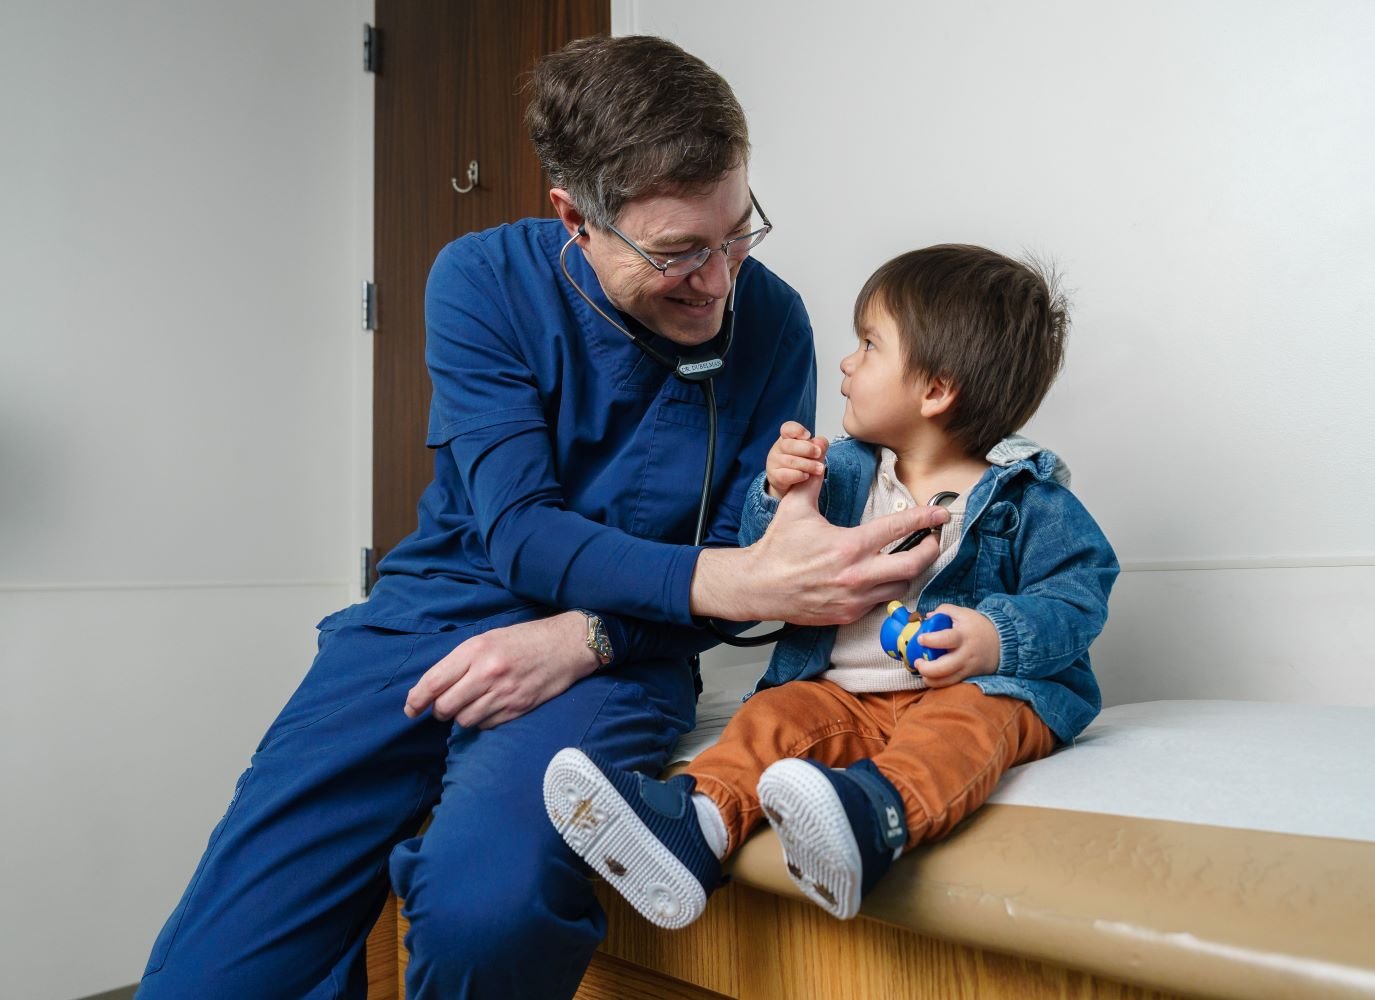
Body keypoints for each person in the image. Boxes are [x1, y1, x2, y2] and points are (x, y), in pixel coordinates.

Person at [137, 35, 950, 1000]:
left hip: (621, 655)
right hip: (426, 623)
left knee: (491, 911)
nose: (719, 279)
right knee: (217, 969)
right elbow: (522, 532)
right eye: (679, 252)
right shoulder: (480, 280)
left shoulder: (769, 321)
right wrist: (734, 581)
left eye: (738, 233)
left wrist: (598, 634)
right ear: (575, 218)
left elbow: (761, 568)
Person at [544, 244, 1119, 927]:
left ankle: (874, 814)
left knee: (969, 725)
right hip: (845, 695)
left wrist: (997, 638)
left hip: (966, 692)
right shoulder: (844, 472)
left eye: (869, 345)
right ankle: (695, 824)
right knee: (775, 716)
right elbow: (771, 549)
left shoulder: (1030, 502)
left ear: (935, 390)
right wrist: (776, 490)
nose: (847, 363)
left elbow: (1079, 595)